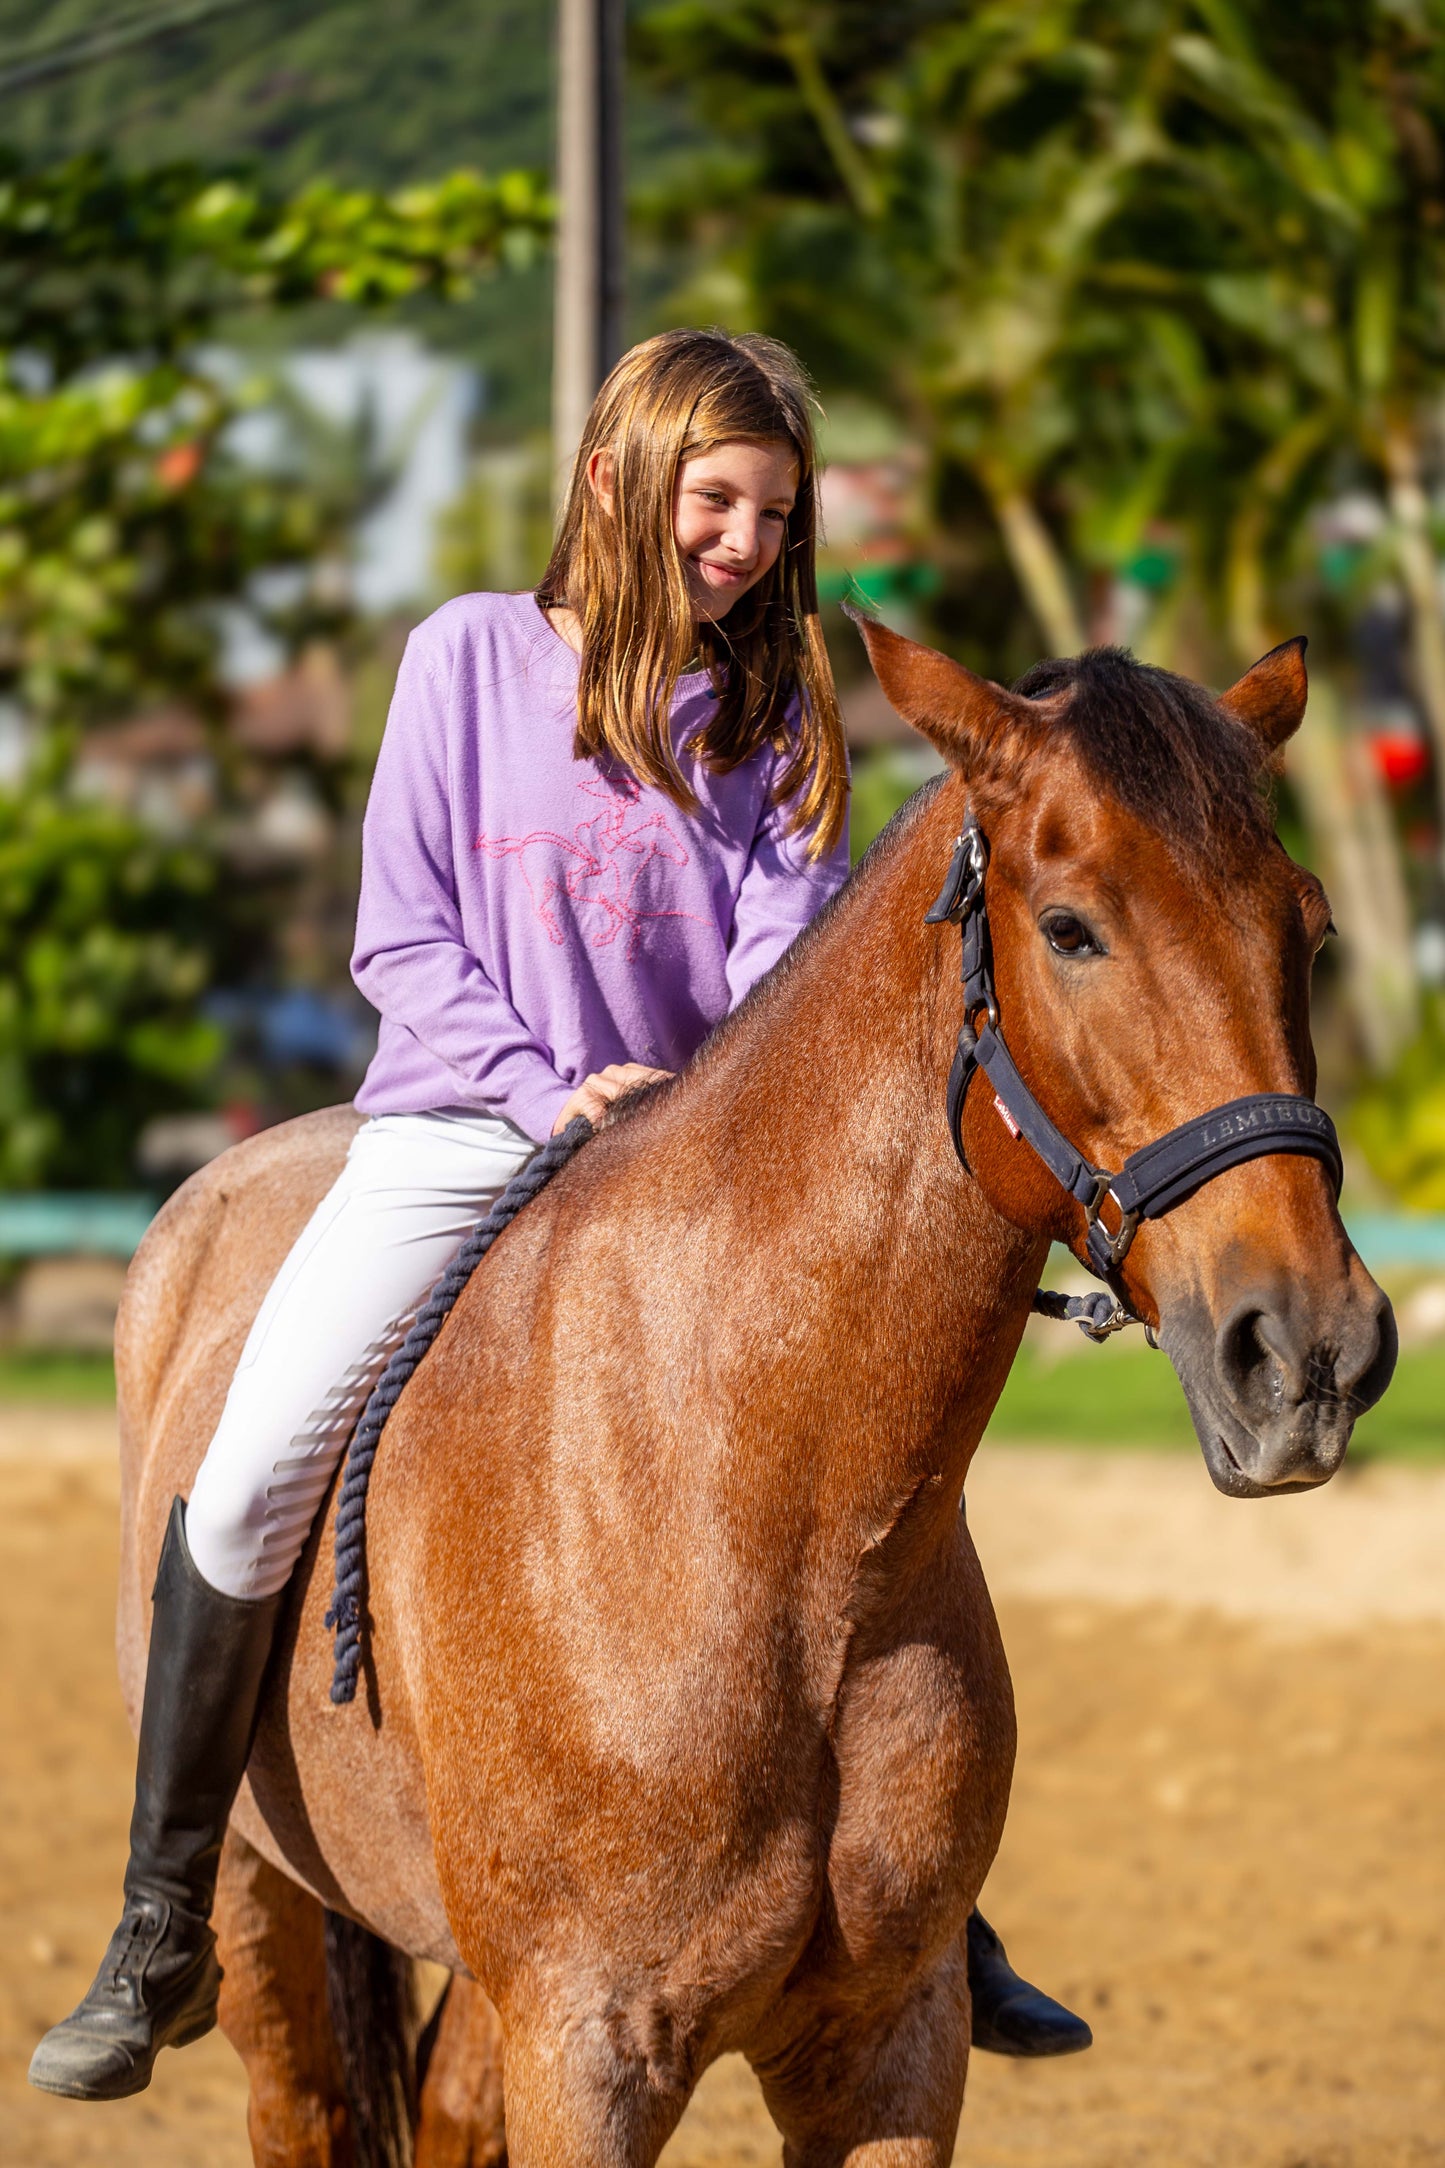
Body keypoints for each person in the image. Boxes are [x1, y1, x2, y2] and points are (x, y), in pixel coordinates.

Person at [30, 327, 1088, 2105]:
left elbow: (786, 975)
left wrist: (690, 1110)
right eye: (715, 500)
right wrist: (547, 1088)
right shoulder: (464, 658)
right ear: (614, 482)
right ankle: (155, 1917)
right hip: (458, 1127)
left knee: (863, 1490)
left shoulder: (774, 722)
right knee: (257, 1457)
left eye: (773, 510)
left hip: (689, 1172)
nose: (746, 541)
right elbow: (401, 937)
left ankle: (925, 1901)